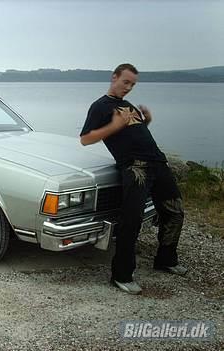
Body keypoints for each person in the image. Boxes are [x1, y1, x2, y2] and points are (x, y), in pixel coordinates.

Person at [79, 63, 187, 295]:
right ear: (114, 77)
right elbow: (86, 139)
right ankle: (122, 275)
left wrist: (146, 120)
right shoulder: (100, 107)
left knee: (175, 212)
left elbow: (132, 131)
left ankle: (166, 260)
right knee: (132, 221)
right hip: (136, 169)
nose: (128, 87)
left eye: (133, 84)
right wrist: (114, 125)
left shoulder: (127, 105)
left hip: (158, 164)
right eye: (125, 82)